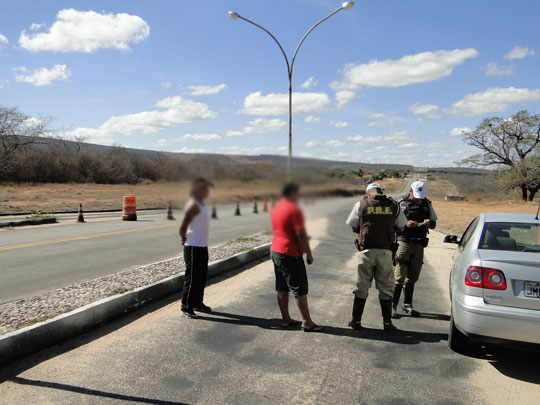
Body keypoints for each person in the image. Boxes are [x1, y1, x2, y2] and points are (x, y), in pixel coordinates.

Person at [345, 183, 407, 332]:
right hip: (386, 252)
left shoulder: (361, 204)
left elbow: (353, 226)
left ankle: (356, 321)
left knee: (362, 287)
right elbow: (402, 227)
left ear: (368, 193)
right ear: (381, 192)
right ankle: (387, 324)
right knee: (386, 288)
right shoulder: (394, 205)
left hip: (366, 251)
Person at [270, 182, 323, 332]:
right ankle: (307, 322)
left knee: (281, 287)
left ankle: (286, 319)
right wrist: (309, 253)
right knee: (299, 289)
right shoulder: (294, 210)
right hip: (290, 253)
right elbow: (300, 234)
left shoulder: (276, 208)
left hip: (276, 251)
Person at [392, 181, 437, 318]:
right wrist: (405, 225)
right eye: (416, 196)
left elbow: (434, 223)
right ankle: (392, 306)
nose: (418, 199)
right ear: (410, 191)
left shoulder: (427, 204)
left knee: (413, 276)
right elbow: (392, 224)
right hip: (404, 243)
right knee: (399, 276)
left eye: (421, 196)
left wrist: (429, 223)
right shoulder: (401, 204)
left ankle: (407, 305)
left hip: (419, 245)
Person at [179, 178, 213, 319]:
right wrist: (183, 238)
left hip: (201, 246)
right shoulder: (193, 204)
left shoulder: (201, 203)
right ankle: (186, 306)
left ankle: (198, 302)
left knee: (201, 277)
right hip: (193, 246)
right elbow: (183, 226)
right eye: (205, 188)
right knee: (192, 278)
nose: (207, 191)